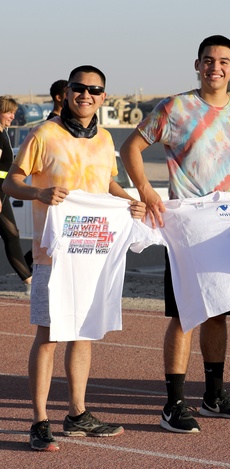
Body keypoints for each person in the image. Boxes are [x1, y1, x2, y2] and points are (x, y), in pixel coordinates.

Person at [121, 35, 230, 434]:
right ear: (197, 65)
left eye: (224, 61)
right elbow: (131, 148)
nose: (216, 68)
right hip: (188, 227)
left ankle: (213, 395)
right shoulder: (175, 107)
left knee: (220, 312)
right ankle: (173, 404)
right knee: (185, 315)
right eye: (209, 61)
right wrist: (143, 188)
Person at [4, 65, 145, 452]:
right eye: (79, 88)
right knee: (49, 335)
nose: (86, 95)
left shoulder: (103, 139)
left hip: (94, 252)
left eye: (94, 90)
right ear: (66, 93)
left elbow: (106, 182)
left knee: (84, 332)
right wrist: (39, 195)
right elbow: (11, 180)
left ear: (103, 97)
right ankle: (39, 419)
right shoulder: (44, 134)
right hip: (53, 254)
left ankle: (78, 415)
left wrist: (128, 200)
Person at [0, 96, 33, 289]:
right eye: (8, 112)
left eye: (14, 112)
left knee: (11, 235)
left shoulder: (4, 133)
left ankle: (28, 280)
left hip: (3, 193)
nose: (12, 116)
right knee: (11, 235)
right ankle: (29, 281)